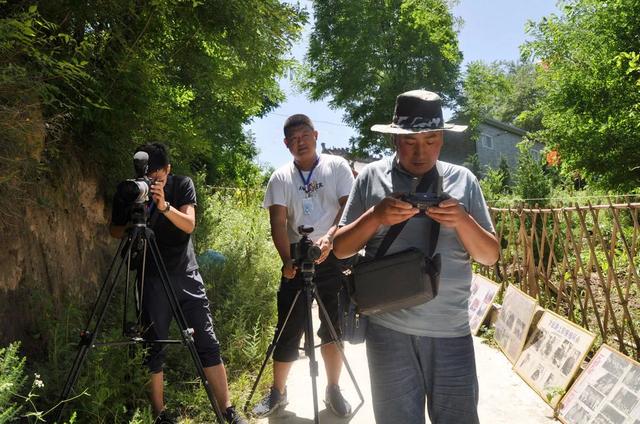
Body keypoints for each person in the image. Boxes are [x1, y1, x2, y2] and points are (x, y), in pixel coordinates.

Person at [333, 90, 500, 424]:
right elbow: (340, 248)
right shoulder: (371, 177)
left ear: (442, 138)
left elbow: (489, 256)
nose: (421, 152)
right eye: (410, 141)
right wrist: (376, 216)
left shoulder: (463, 180)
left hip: (452, 333)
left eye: (431, 139)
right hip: (387, 332)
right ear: (395, 139)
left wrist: (462, 220)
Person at [110, 143, 247, 424]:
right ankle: (160, 414)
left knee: (206, 340)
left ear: (168, 171)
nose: (152, 183)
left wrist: (163, 205)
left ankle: (228, 411)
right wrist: (134, 221)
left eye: (157, 178)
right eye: (148, 178)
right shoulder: (130, 189)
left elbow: (188, 224)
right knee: (154, 345)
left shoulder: (182, 184)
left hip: (186, 273)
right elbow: (113, 230)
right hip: (151, 276)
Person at [252, 114, 355, 418]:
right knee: (288, 327)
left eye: (304, 136)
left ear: (315, 134)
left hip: (332, 254)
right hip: (296, 258)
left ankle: (333, 389)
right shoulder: (281, 176)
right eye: (293, 139)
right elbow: (278, 222)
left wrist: (329, 239)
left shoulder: (336, 166)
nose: (300, 143)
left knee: (332, 327)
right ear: (286, 144)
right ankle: (277, 392)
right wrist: (286, 261)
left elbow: (348, 209)